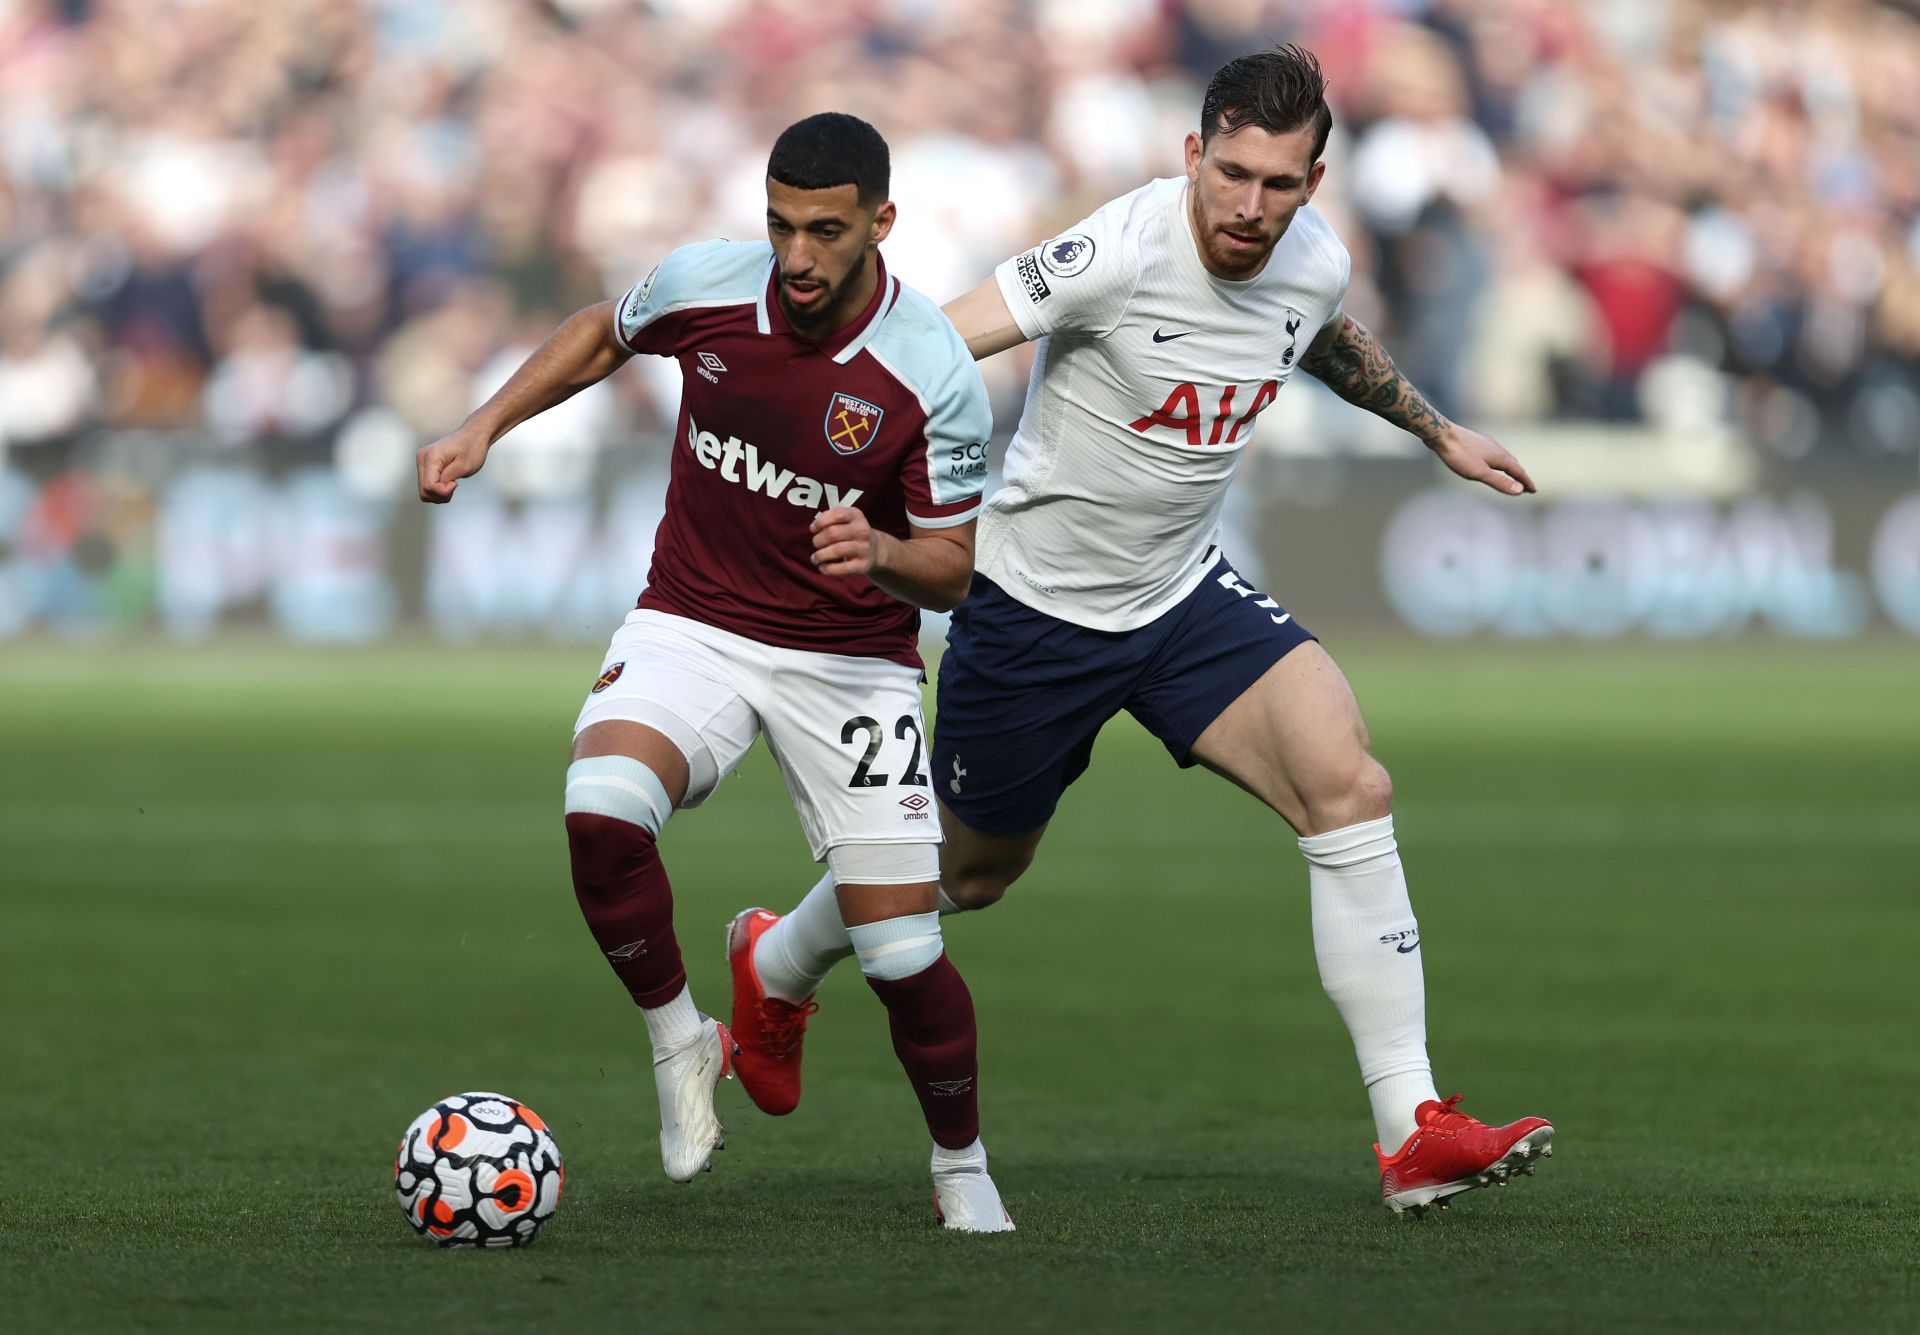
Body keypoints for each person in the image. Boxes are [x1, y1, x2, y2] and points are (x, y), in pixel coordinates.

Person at [728, 49, 1552, 1218]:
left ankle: (1411, 1131)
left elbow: (1318, 334)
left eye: (1277, 183)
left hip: (1178, 598)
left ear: (1314, 183)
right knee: (970, 873)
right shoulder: (1113, 252)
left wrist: (1435, 430)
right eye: (1229, 174)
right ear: (1190, 157)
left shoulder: (1311, 260)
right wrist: (811, 448)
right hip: (1030, 615)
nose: (1248, 207)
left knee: (1348, 781)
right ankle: (775, 963)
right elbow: (931, 342)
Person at [415, 113, 1013, 1231]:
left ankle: (961, 1169)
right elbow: (604, 333)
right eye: (781, 225)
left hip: (852, 660)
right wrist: (482, 424)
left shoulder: (929, 369)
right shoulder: (705, 287)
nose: (797, 256)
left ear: (883, 222)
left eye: (827, 232)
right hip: (693, 618)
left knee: (902, 951)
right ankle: (682, 1041)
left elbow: (955, 572)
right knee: (599, 812)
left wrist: (884, 553)